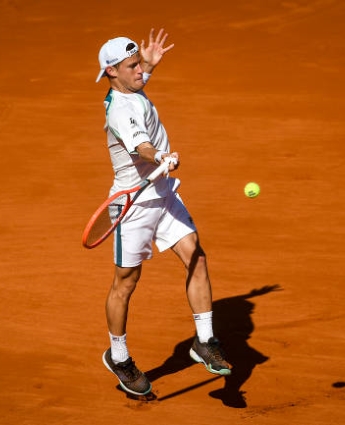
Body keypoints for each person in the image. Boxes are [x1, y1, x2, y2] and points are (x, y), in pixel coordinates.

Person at [95, 28, 232, 396]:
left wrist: (149, 66)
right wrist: (161, 156)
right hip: (134, 203)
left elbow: (136, 91)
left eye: (139, 62)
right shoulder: (120, 112)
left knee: (197, 258)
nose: (139, 69)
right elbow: (140, 145)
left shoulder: (129, 90)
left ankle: (205, 341)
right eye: (132, 65)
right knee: (126, 281)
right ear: (112, 72)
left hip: (162, 192)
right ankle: (119, 356)